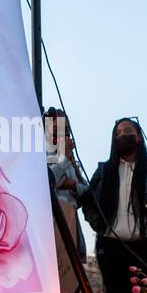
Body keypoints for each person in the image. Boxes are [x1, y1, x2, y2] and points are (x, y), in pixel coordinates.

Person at [81, 118, 147, 293]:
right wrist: (100, 225)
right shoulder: (104, 170)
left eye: (128, 131)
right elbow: (88, 201)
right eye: (118, 133)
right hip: (111, 247)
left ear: (139, 137)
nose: (123, 136)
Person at [44, 107, 88, 260]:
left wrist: (72, 185)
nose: (62, 133)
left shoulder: (70, 158)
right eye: (57, 129)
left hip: (70, 221)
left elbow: (85, 188)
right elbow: (46, 180)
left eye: (66, 129)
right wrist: (63, 160)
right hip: (50, 222)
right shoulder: (41, 154)